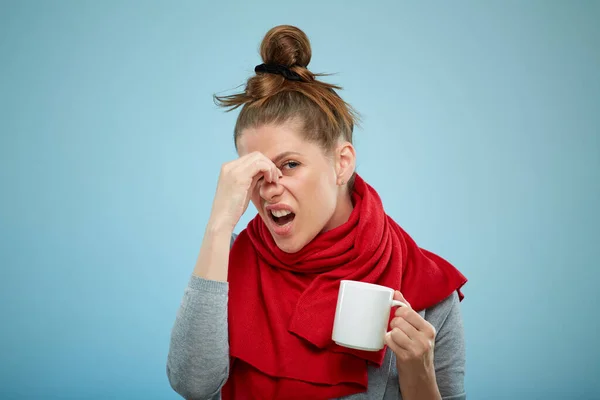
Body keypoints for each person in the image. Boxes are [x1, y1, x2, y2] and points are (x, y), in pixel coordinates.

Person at [167, 25, 468, 400]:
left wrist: (419, 373)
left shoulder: (426, 285)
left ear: (341, 163)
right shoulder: (223, 263)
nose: (269, 185)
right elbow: (192, 386)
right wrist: (218, 226)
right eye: (256, 170)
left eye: (290, 164)